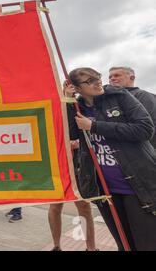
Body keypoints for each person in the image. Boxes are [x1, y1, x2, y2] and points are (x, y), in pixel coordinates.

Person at [65, 67, 156, 251]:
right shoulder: (78, 107)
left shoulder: (119, 96)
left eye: (97, 77)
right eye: (89, 81)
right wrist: (68, 101)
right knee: (124, 243)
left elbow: (145, 129)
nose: (98, 82)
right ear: (76, 87)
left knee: (146, 244)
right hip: (105, 189)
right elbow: (70, 133)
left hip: (137, 184)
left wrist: (95, 126)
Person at [109, 66, 156, 148]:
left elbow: (147, 126)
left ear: (132, 77)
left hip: (141, 152)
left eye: (117, 75)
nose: (112, 79)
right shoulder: (108, 99)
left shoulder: (143, 96)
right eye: (110, 77)